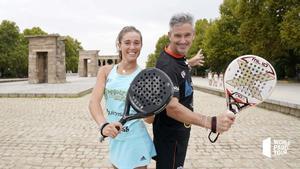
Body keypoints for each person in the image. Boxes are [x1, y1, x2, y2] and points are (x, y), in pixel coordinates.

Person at [152, 13, 235, 169]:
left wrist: (188, 63)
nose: (183, 40)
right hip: (170, 136)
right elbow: (172, 108)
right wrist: (210, 122)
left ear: (194, 35)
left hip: (178, 133)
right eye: (177, 36)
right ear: (169, 35)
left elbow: (178, 72)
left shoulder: (178, 58)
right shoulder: (166, 65)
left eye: (187, 35)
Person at [89, 26, 156, 169]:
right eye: (127, 42)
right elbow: (93, 102)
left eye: (136, 43)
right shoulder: (106, 72)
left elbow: (149, 120)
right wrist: (103, 125)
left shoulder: (145, 77)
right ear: (119, 45)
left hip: (136, 140)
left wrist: (150, 106)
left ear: (141, 46)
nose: (132, 47)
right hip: (116, 139)